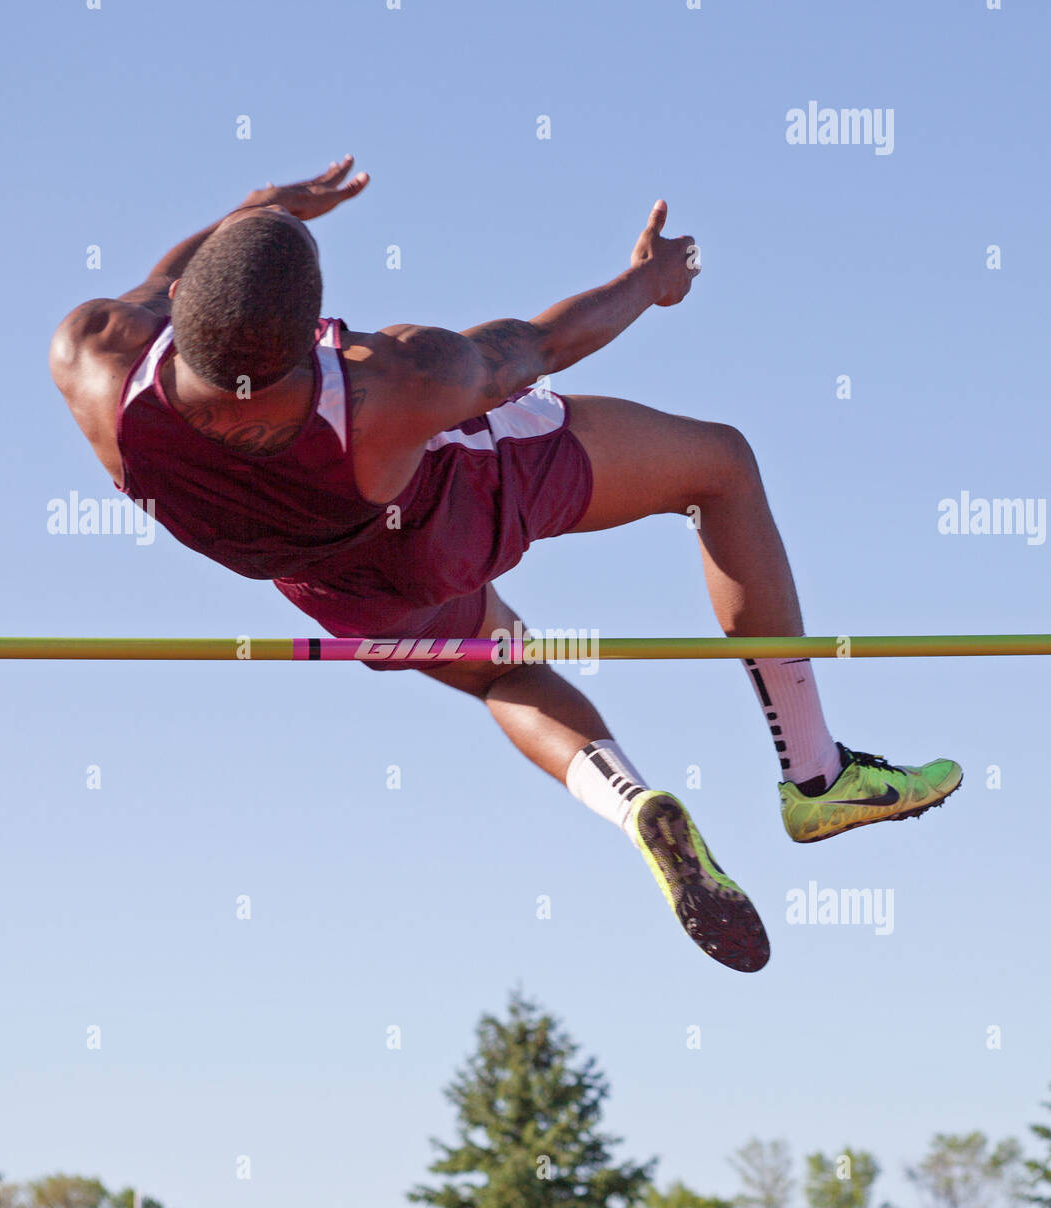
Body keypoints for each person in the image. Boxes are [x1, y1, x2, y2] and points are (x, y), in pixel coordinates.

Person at [49, 158, 961, 974]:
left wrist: (249, 212)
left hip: (335, 586)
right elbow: (539, 347)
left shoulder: (92, 362)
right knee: (722, 466)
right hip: (449, 507)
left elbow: (163, 283)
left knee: (506, 674)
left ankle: (633, 801)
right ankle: (816, 776)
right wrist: (649, 280)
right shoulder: (397, 381)